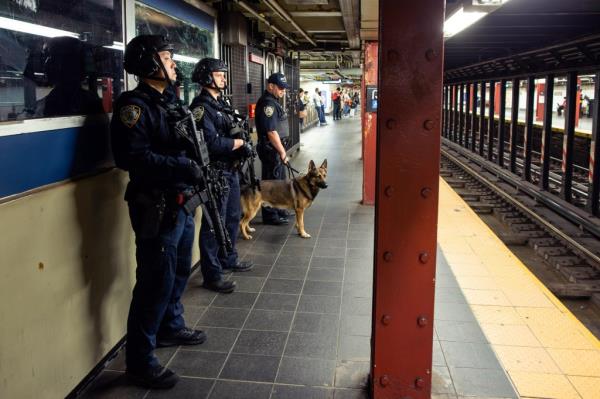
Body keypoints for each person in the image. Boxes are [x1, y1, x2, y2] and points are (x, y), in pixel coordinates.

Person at [110, 35, 206, 389]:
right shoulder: (133, 107)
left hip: (180, 201)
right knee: (154, 282)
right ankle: (140, 360)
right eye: (166, 57)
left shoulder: (171, 102)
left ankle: (170, 326)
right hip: (155, 205)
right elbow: (131, 158)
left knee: (179, 268)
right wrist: (181, 166)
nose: (172, 63)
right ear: (150, 63)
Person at [189, 58, 254, 293]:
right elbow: (208, 143)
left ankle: (228, 258)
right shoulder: (200, 108)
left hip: (231, 170)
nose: (224, 78)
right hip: (216, 174)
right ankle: (212, 274)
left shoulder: (220, 104)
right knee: (213, 225)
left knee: (232, 217)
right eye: (219, 75)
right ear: (207, 77)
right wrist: (238, 142)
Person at [256, 73, 291, 225]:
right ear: (271, 86)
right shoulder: (267, 104)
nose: (283, 90)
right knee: (271, 183)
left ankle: (279, 211)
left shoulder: (273, 101)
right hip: (271, 150)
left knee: (279, 182)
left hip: (275, 149)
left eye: (284, 88)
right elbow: (271, 131)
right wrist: (282, 151)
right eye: (281, 87)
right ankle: (270, 215)